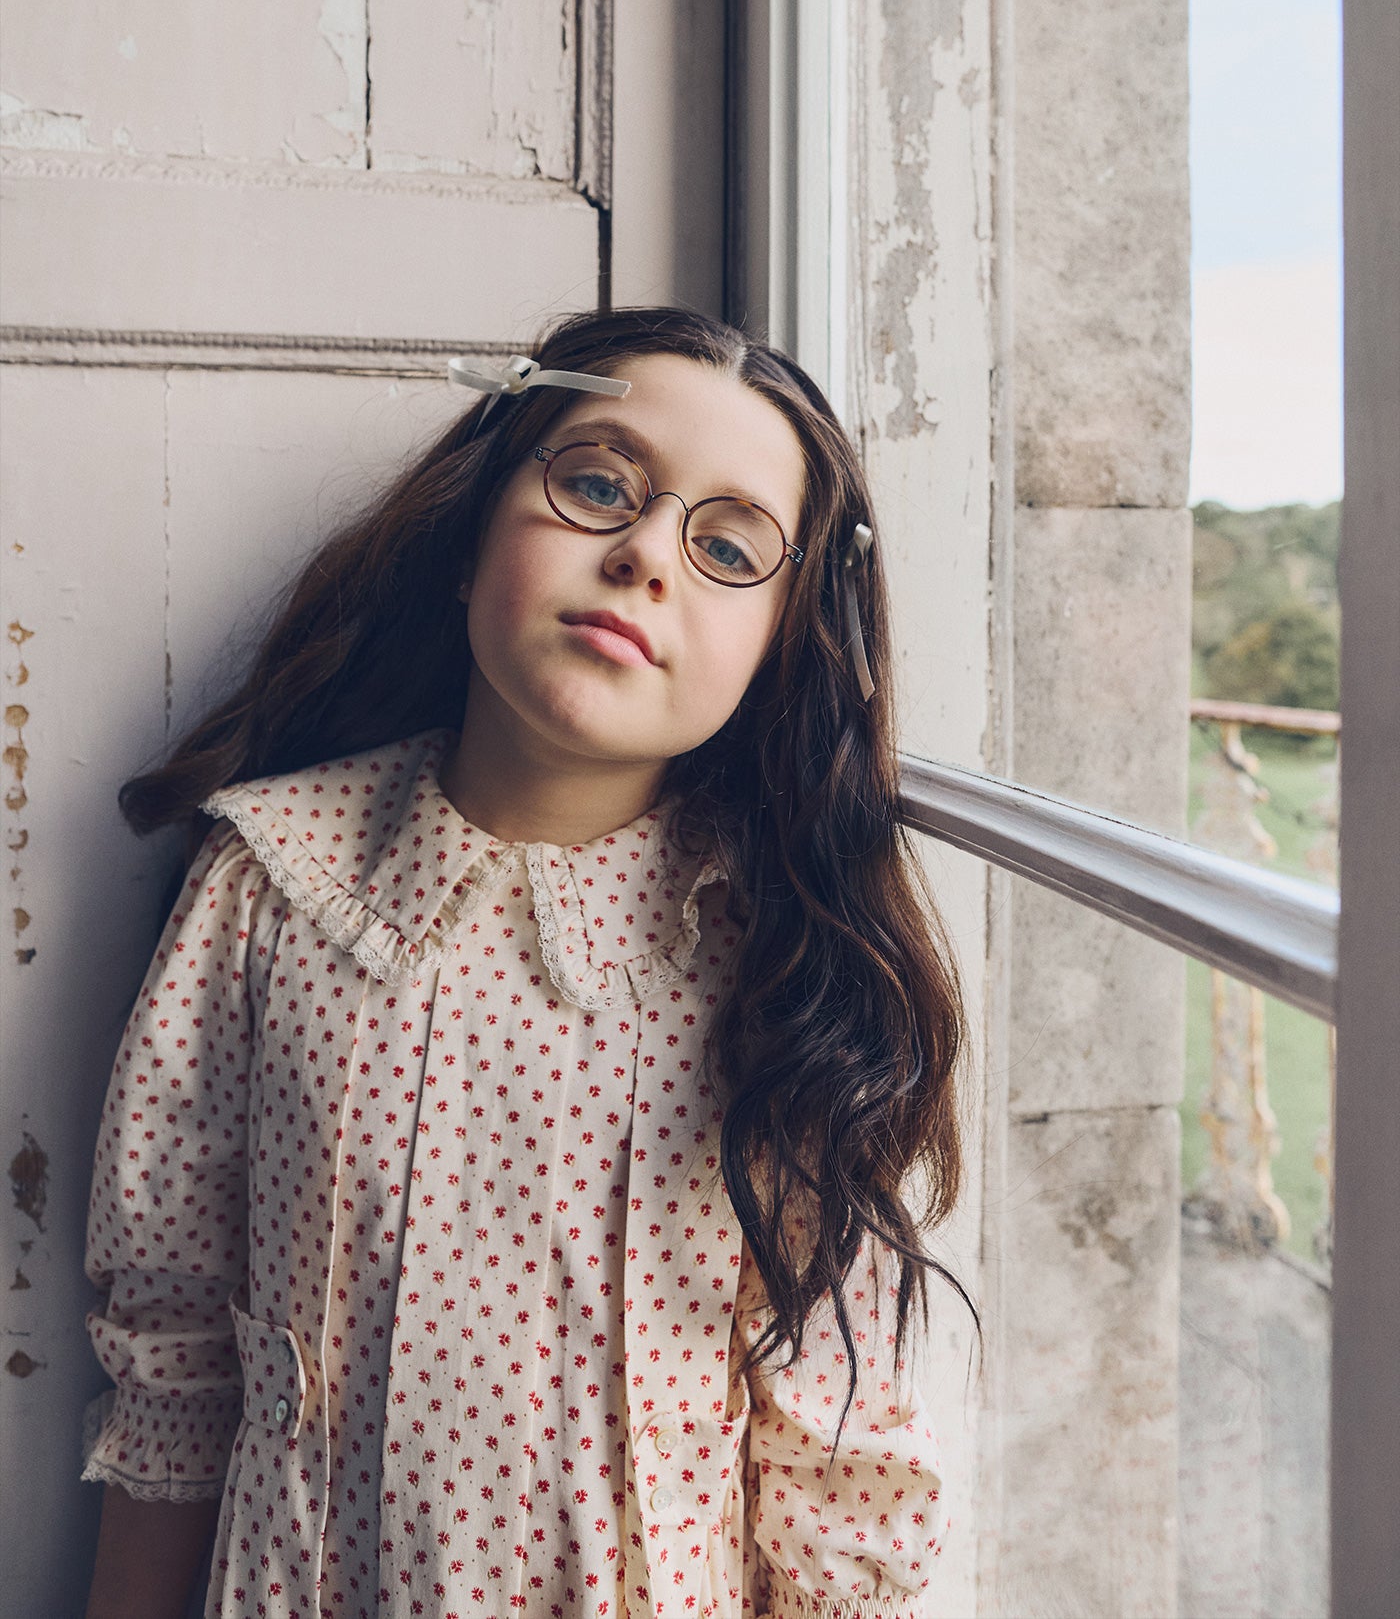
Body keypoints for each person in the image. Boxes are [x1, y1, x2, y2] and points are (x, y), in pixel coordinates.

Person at [81, 306, 970, 1619]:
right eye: (599, 483)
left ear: (781, 645)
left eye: (726, 545)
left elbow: (835, 1478)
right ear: (472, 532)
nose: (645, 557)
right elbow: (172, 1373)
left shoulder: (787, 974)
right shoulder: (270, 880)